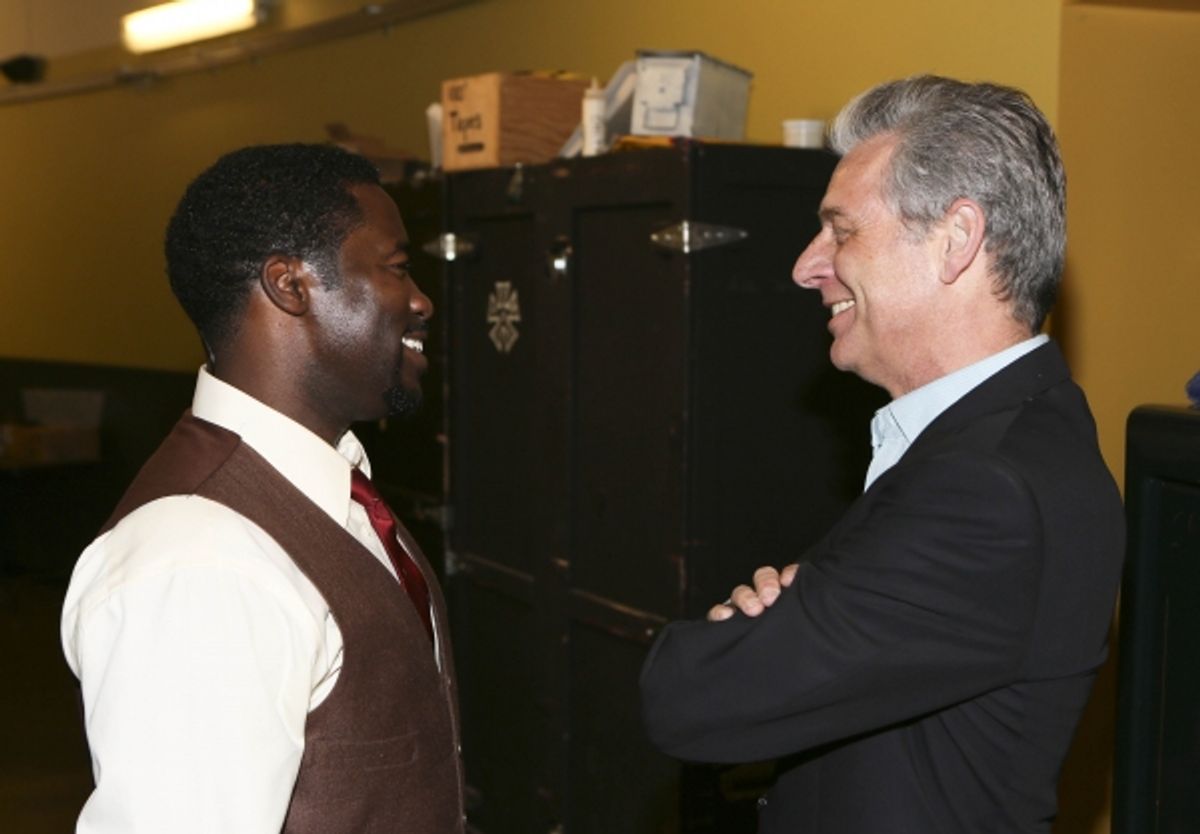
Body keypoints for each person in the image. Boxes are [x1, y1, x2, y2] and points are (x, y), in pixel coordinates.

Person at [639, 76, 1124, 833]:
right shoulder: (1013, 433)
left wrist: (778, 622)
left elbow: (685, 698)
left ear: (956, 240)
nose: (807, 265)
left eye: (842, 231)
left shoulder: (985, 488)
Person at [61, 144, 464, 833]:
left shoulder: (329, 489)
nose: (422, 299)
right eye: (397, 268)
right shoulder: (200, 561)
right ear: (291, 284)